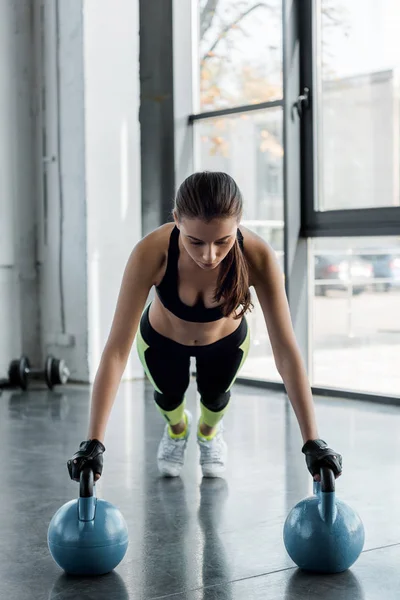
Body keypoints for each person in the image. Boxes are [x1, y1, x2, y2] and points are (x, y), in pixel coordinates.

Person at [67, 171, 342, 482]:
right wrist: (94, 442)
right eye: (195, 241)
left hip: (225, 344)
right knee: (169, 400)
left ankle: (209, 435)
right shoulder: (152, 252)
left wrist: (312, 441)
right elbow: (116, 350)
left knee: (214, 401)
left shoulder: (257, 255)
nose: (209, 255)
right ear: (177, 220)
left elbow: (286, 351)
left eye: (222, 241)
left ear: (239, 223)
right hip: (161, 341)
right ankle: (177, 429)